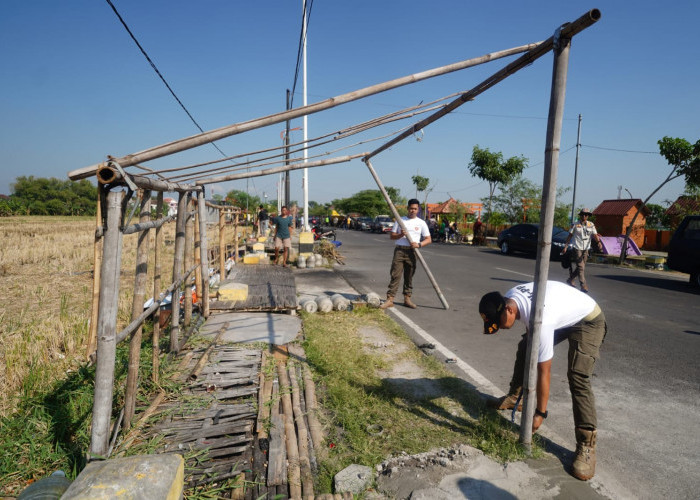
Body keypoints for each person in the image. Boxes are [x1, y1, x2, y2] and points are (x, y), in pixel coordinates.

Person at [478, 281, 607, 481]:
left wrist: (540, 414)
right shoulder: (511, 296)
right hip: (560, 312)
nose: (500, 328)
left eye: (499, 322)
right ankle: (515, 398)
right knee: (525, 346)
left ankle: (587, 443)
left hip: (588, 320)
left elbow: (543, 370)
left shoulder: (542, 320)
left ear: (510, 309)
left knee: (578, 376)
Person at [380, 199, 432, 310]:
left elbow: (428, 239)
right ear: (407, 208)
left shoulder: (421, 223)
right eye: (411, 208)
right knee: (395, 275)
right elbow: (391, 236)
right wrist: (400, 235)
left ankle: (407, 299)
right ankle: (390, 299)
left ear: (418, 210)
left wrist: (419, 244)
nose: (412, 210)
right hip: (399, 251)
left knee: (409, 276)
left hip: (412, 251)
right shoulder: (400, 220)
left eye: (415, 209)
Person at [562, 208, 601, 293]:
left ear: (588, 216)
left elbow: (595, 235)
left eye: (586, 215)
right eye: (583, 214)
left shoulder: (591, 224)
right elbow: (569, 236)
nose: (584, 216)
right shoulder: (575, 225)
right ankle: (583, 285)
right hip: (577, 247)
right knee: (581, 267)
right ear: (580, 215)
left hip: (586, 248)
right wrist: (565, 246)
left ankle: (571, 279)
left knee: (581, 267)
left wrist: (599, 243)